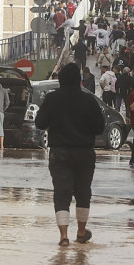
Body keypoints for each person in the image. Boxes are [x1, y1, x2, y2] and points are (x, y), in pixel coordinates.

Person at [34, 63, 105, 246]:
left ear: (60, 80)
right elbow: (100, 127)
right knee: (83, 193)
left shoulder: (52, 99)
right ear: (79, 80)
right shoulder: (89, 100)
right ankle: (81, 233)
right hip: (84, 153)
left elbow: (40, 123)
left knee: (61, 194)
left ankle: (63, 236)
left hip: (59, 153)